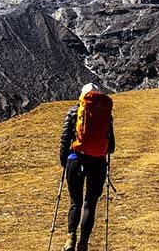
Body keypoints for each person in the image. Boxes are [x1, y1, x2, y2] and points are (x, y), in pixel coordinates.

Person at [59, 83, 115, 251]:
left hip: (76, 160)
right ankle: (83, 243)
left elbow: (65, 139)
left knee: (75, 201)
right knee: (90, 203)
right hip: (97, 163)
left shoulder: (74, 112)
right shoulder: (106, 115)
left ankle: (70, 239)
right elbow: (111, 146)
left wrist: (65, 162)